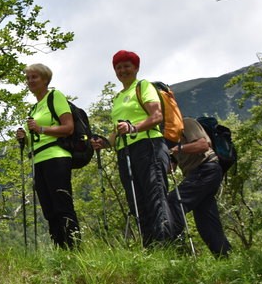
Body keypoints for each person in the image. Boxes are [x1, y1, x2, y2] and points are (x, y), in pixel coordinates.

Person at [90, 50, 175, 247]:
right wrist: (104, 143)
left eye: (127, 66)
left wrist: (133, 127)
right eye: (118, 67)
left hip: (149, 146)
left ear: (136, 68)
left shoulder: (143, 86)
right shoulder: (118, 97)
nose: (122, 70)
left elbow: (157, 116)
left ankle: (166, 245)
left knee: (155, 195)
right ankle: (151, 247)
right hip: (126, 151)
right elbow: (116, 131)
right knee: (136, 201)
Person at [15, 64, 81, 249]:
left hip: (57, 157)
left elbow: (68, 128)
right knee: (49, 209)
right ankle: (60, 249)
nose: (30, 81)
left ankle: (74, 248)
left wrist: (41, 128)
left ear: (45, 79)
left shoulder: (55, 97)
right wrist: (25, 138)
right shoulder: (34, 108)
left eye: (34, 77)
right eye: (28, 78)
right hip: (38, 161)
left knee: (62, 204)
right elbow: (37, 137)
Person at [168, 118, 232, 257]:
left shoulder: (186, 123)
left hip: (207, 169)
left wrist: (178, 148)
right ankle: (225, 258)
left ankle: (172, 245)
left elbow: (203, 145)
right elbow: (170, 168)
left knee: (174, 201)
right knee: (206, 222)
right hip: (199, 174)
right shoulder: (170, 137)